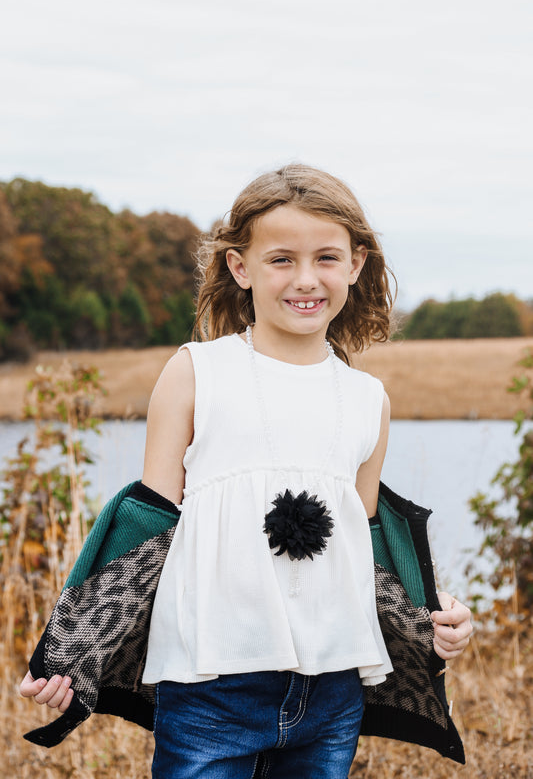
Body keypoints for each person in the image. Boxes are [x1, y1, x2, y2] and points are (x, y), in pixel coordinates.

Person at [20, 164, 472, 778]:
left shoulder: (369, 400)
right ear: (240, 267)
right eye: (281, 259)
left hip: (333, 691)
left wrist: (431, 616)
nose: (306, 279)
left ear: (357, 264)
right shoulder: (195, 373)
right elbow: (147, 527)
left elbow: (364, 548)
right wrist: (72, 647)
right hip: (210, 686)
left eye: (327, 258)